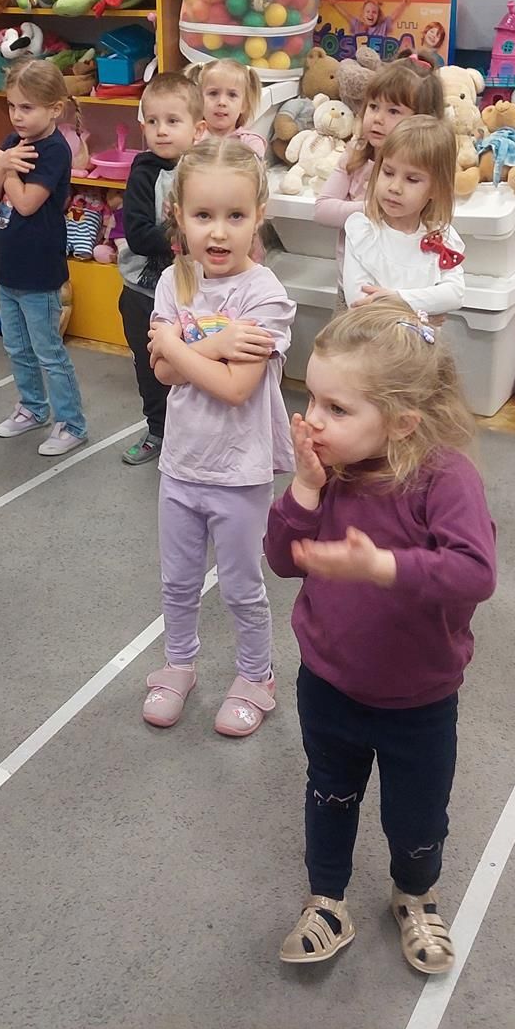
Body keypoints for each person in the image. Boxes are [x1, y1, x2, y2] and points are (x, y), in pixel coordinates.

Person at [264, 302, 496, 974]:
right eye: (311, 398)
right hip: (329, 682)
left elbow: (475, 572)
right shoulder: (330, 470)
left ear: (401, 421)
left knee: (418, 813)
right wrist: (304, 491)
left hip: (418, 698)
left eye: (337, 408)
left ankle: (415, 897)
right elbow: (281, 560)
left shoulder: (444, 479)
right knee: (329, 793)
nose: (313, 420)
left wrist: (384, 567)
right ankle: (327, 901)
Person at [142, 138, 296, 737]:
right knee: (177, 581)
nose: (219, 232)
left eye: (235, 215)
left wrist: (178, 346)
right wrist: (212, 344)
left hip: (238, 472)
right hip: (181, 464)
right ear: (179, 216)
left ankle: (256, 676)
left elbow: (236, 388)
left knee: (240, 586)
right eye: (203, 215)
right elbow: (162, 372)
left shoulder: (265, 295)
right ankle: (179, 664)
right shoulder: (174, 282)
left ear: (259, 216)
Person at [0, 57, 88, 456]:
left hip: (39, 271)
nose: (17, 115)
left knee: (48, 351)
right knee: (16, 347)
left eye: (27, 107)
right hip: (8, 267)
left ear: (54, 108)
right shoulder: (13, 143)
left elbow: (26, 203)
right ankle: (32, 407)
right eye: (12, 106)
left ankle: (72, 423)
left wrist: (4, 169)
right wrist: (0, 166)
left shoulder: (55, 151)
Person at [117, 71, 205, 467]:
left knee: (195, 361)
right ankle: (158, 430)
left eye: (172, 121)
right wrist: (184, 239)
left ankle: (195, 434)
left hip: (194, 290)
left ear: (197, 129)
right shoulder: (144, 171)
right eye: (152, 121)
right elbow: (137, 235)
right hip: (145, 292)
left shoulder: (205, 168)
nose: (161, 130)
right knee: (151, 364)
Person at [340, 115, 466, 317]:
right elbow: (360, 303)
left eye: (412, 179)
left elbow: (454, 294)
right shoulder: (363, 231)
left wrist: (399, 298)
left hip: (422, 338)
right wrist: (423, 310)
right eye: (388, 172)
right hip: (373, 336)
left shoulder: (442, 237)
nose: (395, 187)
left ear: (436, 188)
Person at [316, 52, 445, 232]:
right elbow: (322, 210)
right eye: (373, 106)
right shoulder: (356, 152)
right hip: (355, 250)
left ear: (421, 119)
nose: (377, 118)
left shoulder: (426, 167)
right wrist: (374, 208)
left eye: (393, 111)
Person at [194, 58, 267, 159]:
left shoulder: (250, 144)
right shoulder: (191, 138)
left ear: (244, 104)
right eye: (213, 93)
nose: (221, 102)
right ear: (199, 99)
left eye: (232, 95)